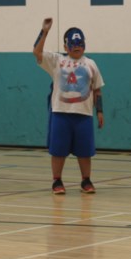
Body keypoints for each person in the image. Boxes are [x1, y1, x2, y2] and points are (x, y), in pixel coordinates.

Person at [33, 18, 105, 194]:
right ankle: (57, 181)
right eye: (73, 44)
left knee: (85, 152)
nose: (77, 47)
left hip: (84, 114)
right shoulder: (56, 61)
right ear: (66, 47)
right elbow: (37, 52)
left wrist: (100, 111)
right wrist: (44, 31)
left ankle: (86, 180)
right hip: (61, 113)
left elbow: (97, 90)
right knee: (58, 150)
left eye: (80, 43)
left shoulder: (91, 64)